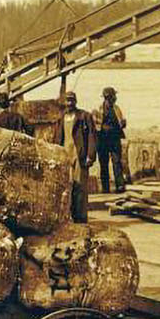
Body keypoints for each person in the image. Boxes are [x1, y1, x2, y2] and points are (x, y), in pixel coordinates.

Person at [51, 91, 96, 222]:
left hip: (79, 155)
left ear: (75, 102)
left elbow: (92, 136)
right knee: (65, 186)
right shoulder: (61, 118)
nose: (69, 103)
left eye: (71, 101)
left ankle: (80, 218)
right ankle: (67, 216)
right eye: (67, 101)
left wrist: (90, 155)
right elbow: (57, 137)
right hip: (65, 155)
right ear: (64, 103)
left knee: (80, 186)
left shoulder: (84, 116)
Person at [95, 86, 127, 194]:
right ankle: (105, 188)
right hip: (102, 140)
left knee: (117, 162)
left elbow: (121, 122)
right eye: (113, 97)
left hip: (114, 139)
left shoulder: (117, 109)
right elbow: (95, 125)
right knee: (103, 164)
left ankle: (120, 186)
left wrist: (123, 124)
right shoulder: (98, 110)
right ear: (108, 98)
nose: (115, 99)